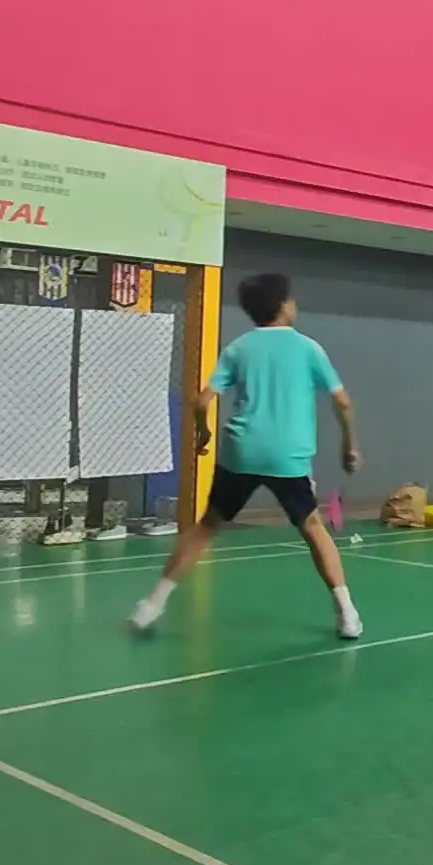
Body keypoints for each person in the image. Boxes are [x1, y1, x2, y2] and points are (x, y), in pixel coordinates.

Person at [129, 273, 362, 639]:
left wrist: (204, 432)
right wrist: (349, 445)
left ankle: (150, 606)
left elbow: (202, 400)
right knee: (313, 528)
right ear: (283, 306)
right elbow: (342, 402)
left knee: (206, 527)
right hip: (287, 456)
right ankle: (347, 614)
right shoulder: (308, 348)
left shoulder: (239, 348)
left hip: (242, 450)